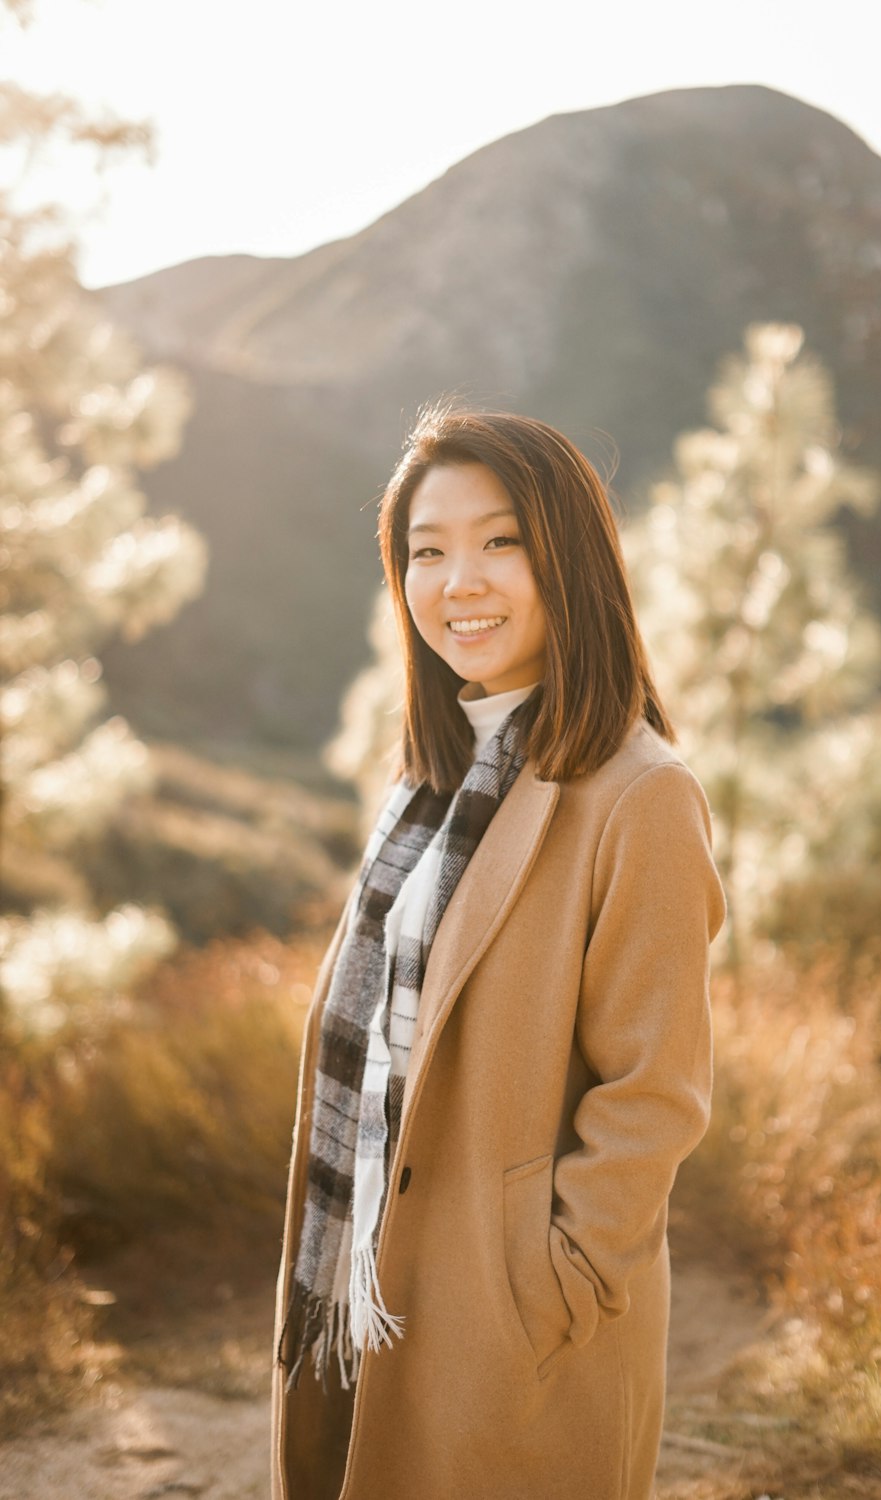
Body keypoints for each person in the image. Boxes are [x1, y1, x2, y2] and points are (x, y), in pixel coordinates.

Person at [271, 405, 726, 1500]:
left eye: (499, 541)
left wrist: (556, 1280)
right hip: (370, 1270)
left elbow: (653, 1090)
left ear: (566, 558)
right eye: (427, 551)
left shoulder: (639, 793)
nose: (458, 581)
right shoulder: (431, 773)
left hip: (511, 1311)